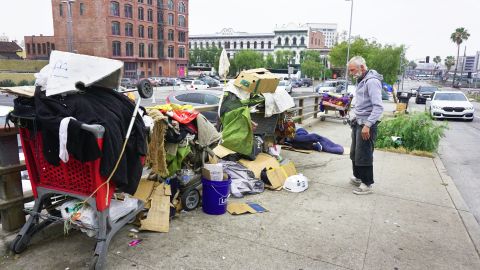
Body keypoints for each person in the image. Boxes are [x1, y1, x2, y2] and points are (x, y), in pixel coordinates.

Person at [347, 56, 384, 195]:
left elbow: (378, 107)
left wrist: (368, 125)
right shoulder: (362, 79)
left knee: (364, 154)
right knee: (355, 152)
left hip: (367, 124)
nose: (351, 73)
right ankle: (358, 177)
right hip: (358, 122)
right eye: (350, 71)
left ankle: (367, 183)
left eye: (353, 70)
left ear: (362, 67)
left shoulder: (372, 81)